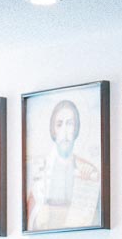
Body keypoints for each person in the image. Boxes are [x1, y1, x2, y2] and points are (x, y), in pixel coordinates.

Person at [26, 98, 101, 232]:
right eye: (59, 124)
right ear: (53, 129)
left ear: (76, 128)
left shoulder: (87, 169)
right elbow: (30, 220)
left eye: (70, 123)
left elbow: (95, 217)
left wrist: (88, 184)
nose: (65, 131)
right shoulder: (39, 170)